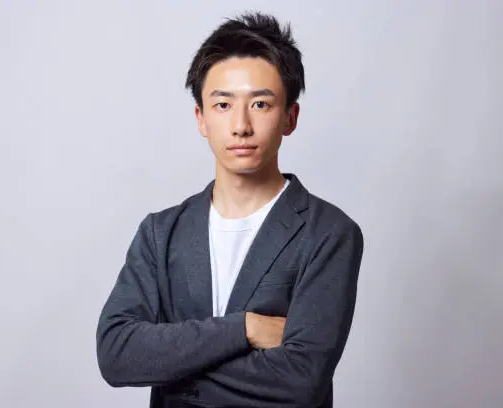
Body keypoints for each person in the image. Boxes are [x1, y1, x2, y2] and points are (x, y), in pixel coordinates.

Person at [96, 12, 364, 408]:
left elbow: (300, 383)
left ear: (289, 117)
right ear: (201, 118)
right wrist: (246, 329)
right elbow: (116, 353)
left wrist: (171, 372)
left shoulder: (328, 233)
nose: (241, 125)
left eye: (260, 104)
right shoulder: (160, 232)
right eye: (223, 104)